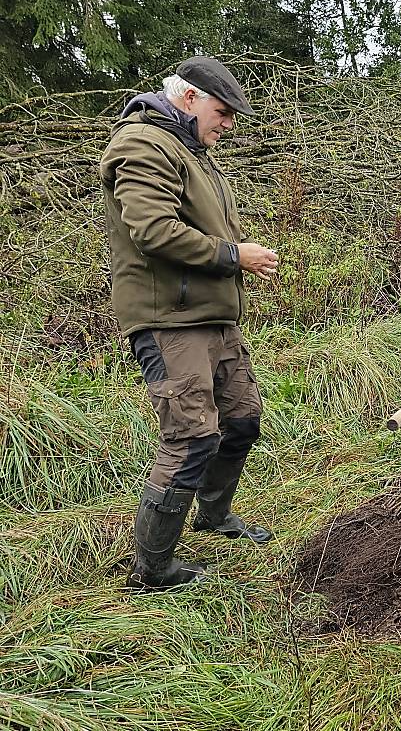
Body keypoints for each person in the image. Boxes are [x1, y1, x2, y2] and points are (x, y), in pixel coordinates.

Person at [100, 57, 280, 589]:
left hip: (212, 316)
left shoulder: (194, 153)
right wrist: (232, 256)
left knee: (242, 418)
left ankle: (214, 513)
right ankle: (153, 568)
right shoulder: (142, 145)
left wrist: (235, 264)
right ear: (188, 98)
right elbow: (153, 231)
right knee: (191, 436)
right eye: (222, 112)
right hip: (168, 320)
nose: (228, 124)